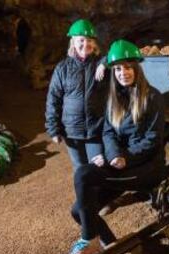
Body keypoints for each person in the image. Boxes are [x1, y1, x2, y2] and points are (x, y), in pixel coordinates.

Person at [56, 39, 166, 254]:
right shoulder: (115, 98)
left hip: (147, 168)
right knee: (78, 210)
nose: (123, 73)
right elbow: (108, 131)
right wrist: (110, 155)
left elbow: (152, 140)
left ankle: (88, 241)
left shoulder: (153, 97)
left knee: (84, 174)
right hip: (122, 162)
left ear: (137, 68)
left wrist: (125, 158)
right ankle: (112, 244)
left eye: (127, 67)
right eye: (117, 68)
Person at [45, 19, 108, 171]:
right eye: (81, 40)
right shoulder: (62, 68)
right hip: (71, 131)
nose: (86, 44)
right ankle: (83, 196)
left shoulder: (100, 65)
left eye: (89, 40)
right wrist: (54, 129)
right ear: (73, 42)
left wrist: (105, 62)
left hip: (96, 129)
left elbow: (118, 51)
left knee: (97, 168)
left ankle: (98, 195)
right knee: (79, 169)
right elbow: (53, 99)